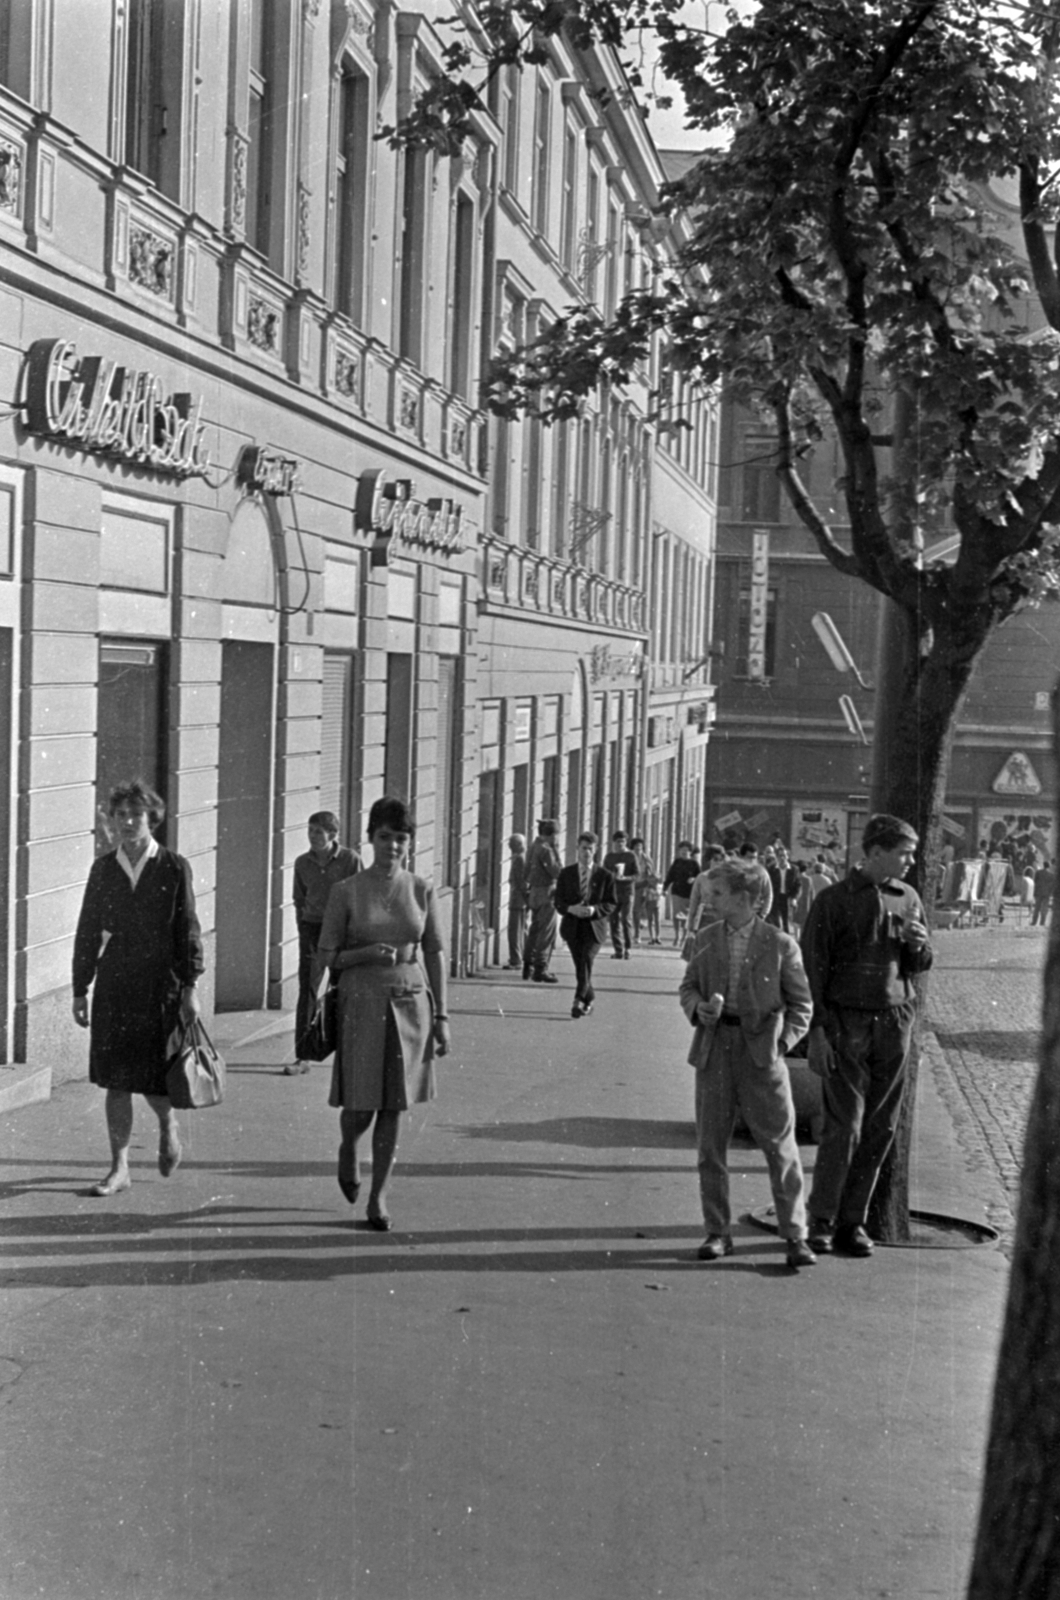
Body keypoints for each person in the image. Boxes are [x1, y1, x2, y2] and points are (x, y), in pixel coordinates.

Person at [800, 813, 933, 1258]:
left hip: (894, 1022)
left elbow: (918, 963)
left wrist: (918, 947)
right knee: (845, 1126)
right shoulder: (833, 901)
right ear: (875, 853)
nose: (911, 861)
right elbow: (812, 970)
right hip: (846, 1023)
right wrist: (817, 1032)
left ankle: (852, 1222)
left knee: (881, 1127)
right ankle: (821, 1218)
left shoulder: (908, 897)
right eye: (904, 853)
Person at [316, 796, 450, 1231]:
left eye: (401, 839)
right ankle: (348, 1149)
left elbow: (434, 953)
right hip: (361, 1002)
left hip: (411, 1004)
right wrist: (367, 953)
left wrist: (443, 1016)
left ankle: (378, 1197)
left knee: (395, 1105)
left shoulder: (421, 889)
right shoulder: (346, 891)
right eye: (385, 837)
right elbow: (328, 956)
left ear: (409, 844)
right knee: (360, 1104)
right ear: (370, 839)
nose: (392, 846)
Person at [679, 858, 816, 1269]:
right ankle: (718, 1232)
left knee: (779, 1146)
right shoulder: (705, 938)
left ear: (746, 898)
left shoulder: (779, 943)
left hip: (762, 1054)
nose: (710, 901)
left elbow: (802, 1005)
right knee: (710, 1147)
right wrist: (698, 1008)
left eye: (718, 895)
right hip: (714, 1048)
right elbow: (687, 987)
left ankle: (795, 1235)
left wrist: (781, 1043)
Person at [72, 780, 205, 1197]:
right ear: (111, 822)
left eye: (136, 815)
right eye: (120, 815)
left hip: (160, 982)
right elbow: (88, 931)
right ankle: (119, 1167)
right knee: (115, 1079)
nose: (128, 823)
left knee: (153, 1076)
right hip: (116, 982)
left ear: (152, 819)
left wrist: (191, 986)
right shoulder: (103, 869)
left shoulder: (172, 866)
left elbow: (187, 929)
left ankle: (167, 1126)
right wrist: (80, 987)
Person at [289, 811, 360, 1074]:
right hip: (312, 930)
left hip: (342, 931)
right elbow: (299, 899)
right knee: (307, 988)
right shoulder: (302, 863)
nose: (312, 835)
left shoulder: (350, 860)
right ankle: (302, 1056)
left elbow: (360, 897)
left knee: (342, 989)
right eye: (310, 830)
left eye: (318, 831)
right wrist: (302, 927)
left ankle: (348, 1053)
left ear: (332, 834)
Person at [555, 833, 619, 1018]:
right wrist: (570, 909)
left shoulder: (605, 875)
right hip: (573, 927)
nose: (587, 853)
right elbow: (558, 901)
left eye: (590, 849)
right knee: (580, 965)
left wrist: (594, 910)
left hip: (594, 928)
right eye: (583, 848)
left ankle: (578, 1000)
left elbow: (611, 903)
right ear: (577, 849)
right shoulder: (566, 873)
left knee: (586, 959)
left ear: (596, 850)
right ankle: (589, 998)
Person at [522, 818, 562, 983]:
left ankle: (528, 966)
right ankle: (541, 968)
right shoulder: (546, 849)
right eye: (557, 835)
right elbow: (556, 871)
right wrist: (557, 852)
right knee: (546, 932)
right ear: (552, 835)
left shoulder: (533, 846)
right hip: (547, 892)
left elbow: (526, 871)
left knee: (535, 930)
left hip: (534, 892)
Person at [602, 829, 639, 958]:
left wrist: (626, 878)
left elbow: (637, 874)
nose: (620, 844)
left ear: (626, 842)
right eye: (618, 842)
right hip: (613, 892)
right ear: (613, 842)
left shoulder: (631, 856)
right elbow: (604, 873)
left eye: (623, 842)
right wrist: (611, 876)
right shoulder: (609, 857)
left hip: (628, 891)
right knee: (613, 920)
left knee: (626, 919)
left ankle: (628, 948)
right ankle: (618, 949)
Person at [663, 841, 701, 944]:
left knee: (685, 916)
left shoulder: (694, 864)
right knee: (676, 915)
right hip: (676, 891)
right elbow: (670, 876)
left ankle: (683, 937)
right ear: (679, 851)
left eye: (686, 850)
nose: (684, 852)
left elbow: (700, 877)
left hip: (688, 893)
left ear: (690, 852)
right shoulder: (676, 862)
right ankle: (677, 935)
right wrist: (665, 888)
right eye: (682, 850)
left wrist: (693, 879)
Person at [503, 833, 529, 970]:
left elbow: (521, 882)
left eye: (511, 843)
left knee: (514, 931)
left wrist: (524, 897)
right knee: (522, 930)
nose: (508, 846)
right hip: (522, 901)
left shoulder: (519, 859)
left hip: (518, 901)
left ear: (518, 845)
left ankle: (516, 960)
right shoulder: (523, 857)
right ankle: (523, 957)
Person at [765, 844, 800, 933]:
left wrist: (794, 898)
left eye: (784, 855)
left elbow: (798, 885)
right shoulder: (772, 869)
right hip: (776, 897)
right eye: (780, 856)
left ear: (787, 857)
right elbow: (768, 884)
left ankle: (787, 938)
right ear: (776, 857)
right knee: (776, 922)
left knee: (787, 922)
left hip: (787, 898)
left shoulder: (794, 869)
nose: (782, 858)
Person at [629, 835, 656, 944]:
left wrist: (651, 879)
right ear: (633, 847)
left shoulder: (646, 858)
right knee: (635, 910)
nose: (638, 848)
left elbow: (652, 871)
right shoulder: (629, 857)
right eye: (636, 846)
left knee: (643, 909)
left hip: (644, 885)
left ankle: (641, 932)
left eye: (640, 846)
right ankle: (636, 932)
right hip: (632, 885)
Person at [1032, 858, 1055, 927]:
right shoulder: (1051, 875)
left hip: (1038, 892)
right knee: (1044, 908)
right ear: (1049, 866)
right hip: (1046, 893)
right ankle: (1042, 922)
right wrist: (1050, 893)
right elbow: (1052, 885)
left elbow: (1035, 882)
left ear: (1043, 865)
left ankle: (1034, 921)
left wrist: (1034, 891)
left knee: (1037, 907)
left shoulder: (1038, 872)